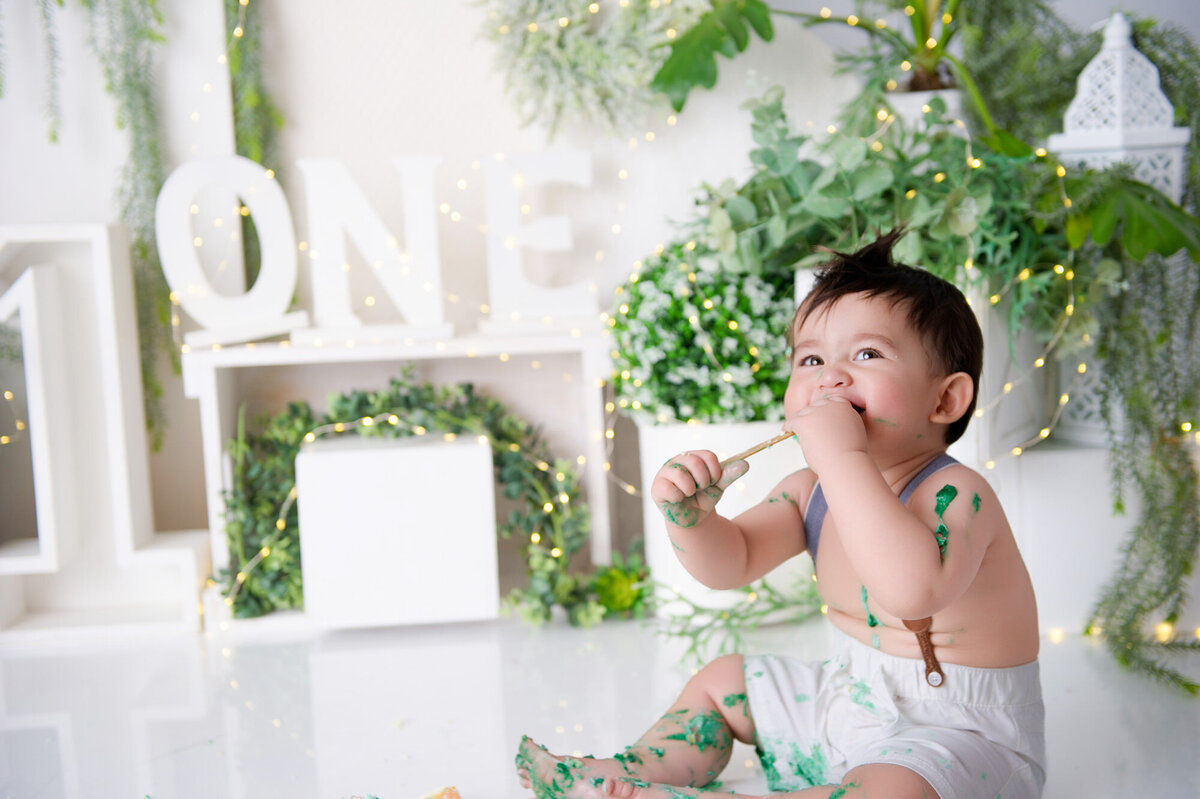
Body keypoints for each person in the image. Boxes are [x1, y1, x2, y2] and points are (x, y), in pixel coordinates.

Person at [515, 230, 1045, 799]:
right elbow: (733, 563)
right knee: (722, 681)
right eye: (811, 358)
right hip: (847, 704)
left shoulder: (960, 495)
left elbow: (912, 591)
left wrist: (842, 456)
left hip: (956, 737)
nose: (830, 377)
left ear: (944, 400)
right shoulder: (808, 491)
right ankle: (637, 772)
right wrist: (691, 519)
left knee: (895, 792)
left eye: (867, 354)